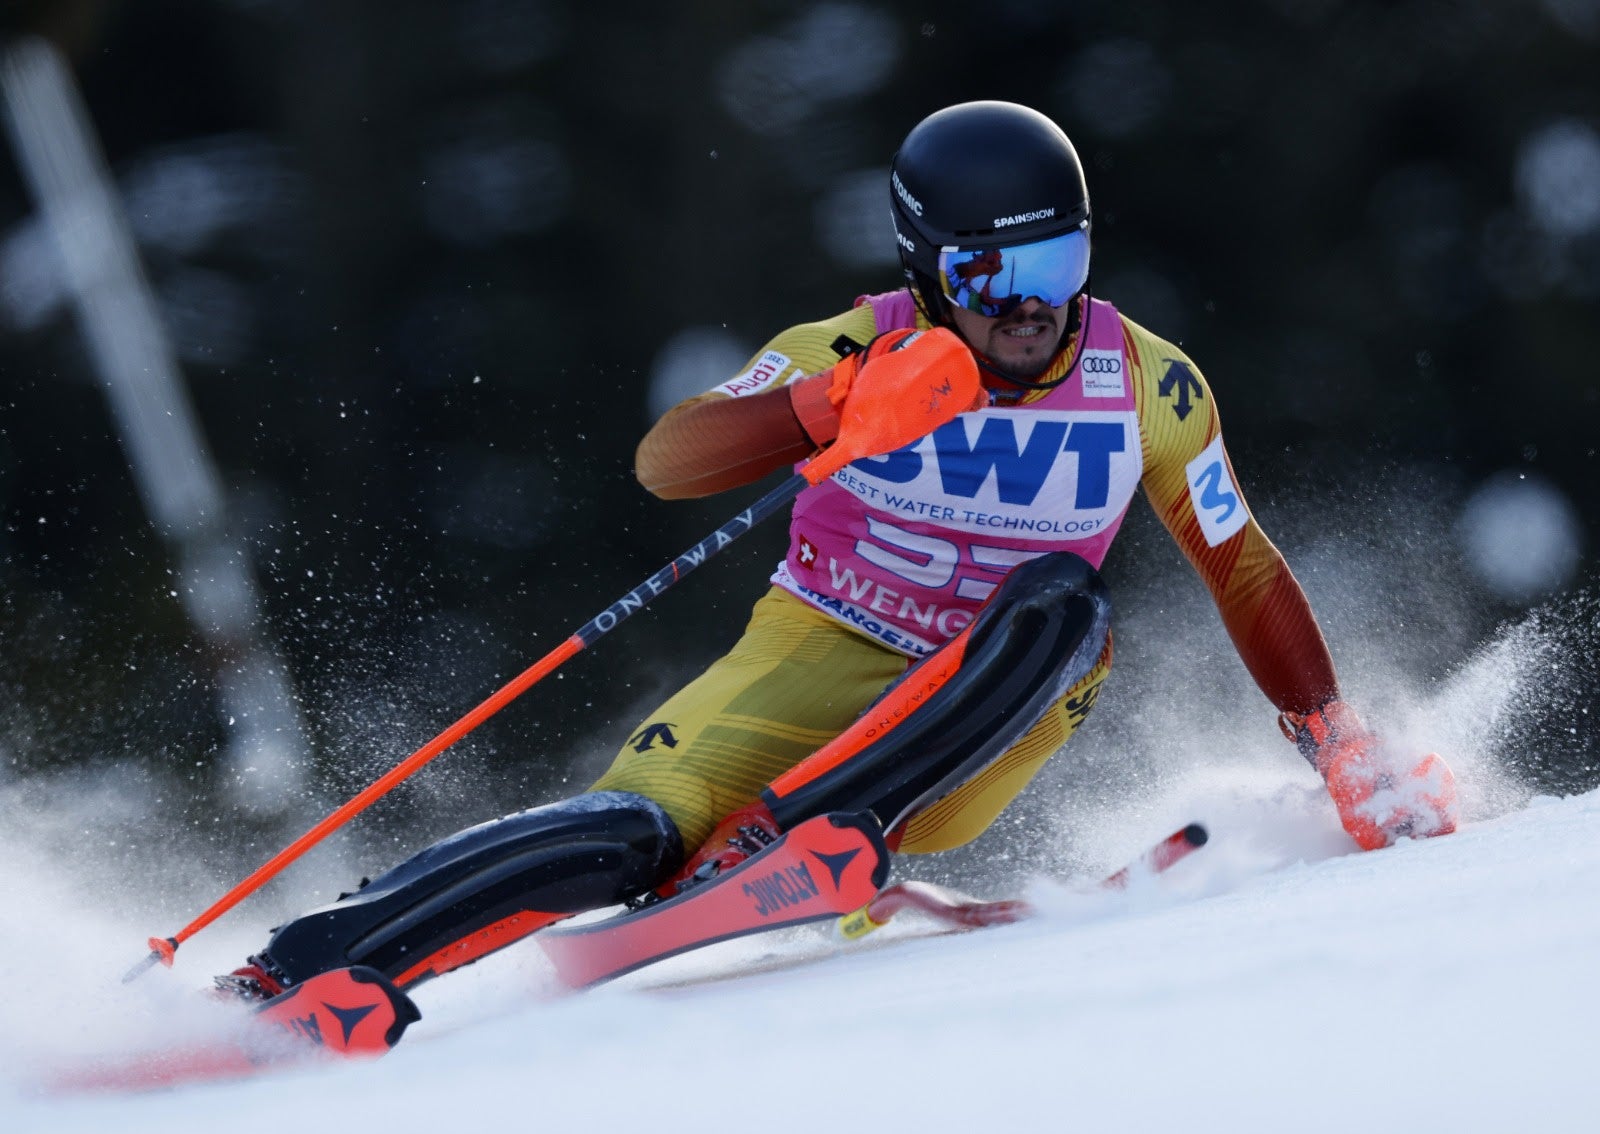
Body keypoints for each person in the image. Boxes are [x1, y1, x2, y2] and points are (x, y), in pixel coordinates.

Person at [220, 101, 1459, 1000]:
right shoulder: (846, 346)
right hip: (812, 651)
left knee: (1061, 602)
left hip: (991, 698)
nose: (1030, 306)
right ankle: (290, 980)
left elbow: (1239, 562)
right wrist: (827, 409)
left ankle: (817, 835)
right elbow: (670, 461)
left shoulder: (1146, 384)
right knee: (625, 834)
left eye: (1059, 263)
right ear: (926, 267)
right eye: (991, 273)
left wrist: (1335, 738)